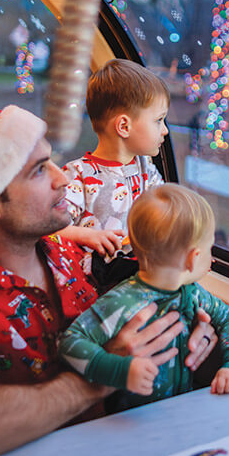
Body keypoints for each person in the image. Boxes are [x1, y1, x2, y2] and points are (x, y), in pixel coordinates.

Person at [0, 102, 219, 456]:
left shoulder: (65, 253)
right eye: (38, 171)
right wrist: (102, 377)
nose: (62, 178)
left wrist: (183, 328)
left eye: (51, 160)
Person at [59, 184, 229, 410]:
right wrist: (119, 370)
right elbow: (70, 342)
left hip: (177, 409)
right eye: (209, 249)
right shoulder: (122, 301)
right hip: (128, 420)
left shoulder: (191, 292)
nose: (212, 258)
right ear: (192, 258)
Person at [60, 58, 169, 288]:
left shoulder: (145, 169)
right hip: (93, 286)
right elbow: (51, 228)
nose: (166, 131)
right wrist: (86, 236)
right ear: (124, 127)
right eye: (159, 121)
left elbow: (167, 213)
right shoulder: (78, 175)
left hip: (135, 279)